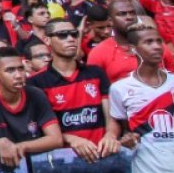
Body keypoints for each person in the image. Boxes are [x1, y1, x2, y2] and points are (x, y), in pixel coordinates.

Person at [107, 25, 174, 173]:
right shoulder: (119, 89)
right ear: (133, 48)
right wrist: (128, 140)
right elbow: (125, 130)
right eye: (149, 42)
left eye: (159, 41)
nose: (157, 46)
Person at [27, 18, 120, 162]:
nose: (71, 39)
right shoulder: (35, 82)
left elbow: (111, 115)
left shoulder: (96, 73)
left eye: (74, 34)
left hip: (103, 156)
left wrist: (111, 135)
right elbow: (39, 128)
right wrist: (71, 139)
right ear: (47, 40)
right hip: (63, 161)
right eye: (62, 35)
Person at [0, 47, 64, 169]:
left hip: (37, 166)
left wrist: (20, 147)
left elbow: (56, 139)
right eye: (10, 70)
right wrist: (0, 142)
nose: (19, 75)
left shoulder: (36, 94)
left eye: (21, 69)